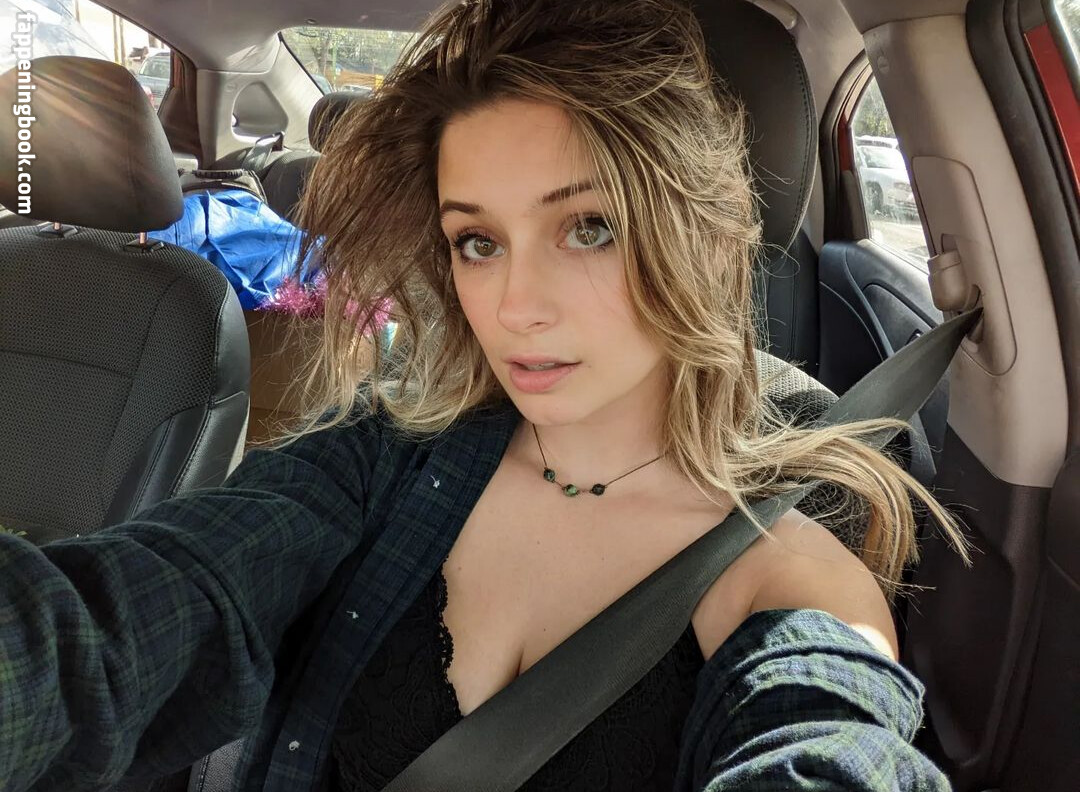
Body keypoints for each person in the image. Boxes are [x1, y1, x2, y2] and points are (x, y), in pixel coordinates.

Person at [0, 0, 972, 790]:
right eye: (478, 241)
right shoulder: (379, 459)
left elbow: (827, 734)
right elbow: (106, 634)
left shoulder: (785, 570)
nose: (515, 306)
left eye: (588, 228)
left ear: (711, 242)